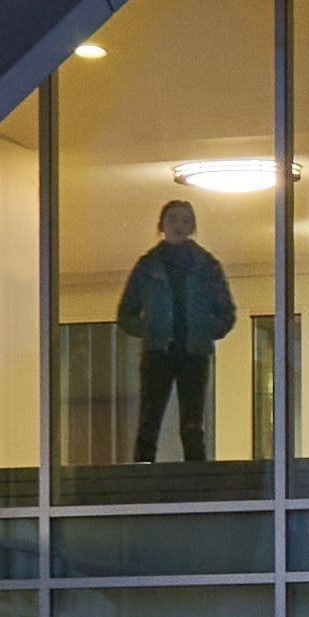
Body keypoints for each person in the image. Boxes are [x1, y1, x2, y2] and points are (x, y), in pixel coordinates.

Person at [117, 196, 238, 462]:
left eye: (185, 220)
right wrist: (151, 329)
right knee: (149, 418)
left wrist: (205, 330)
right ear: (161, 224)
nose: (179, 225)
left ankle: (196, 478)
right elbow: (125, 314)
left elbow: (227, 312)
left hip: (194, 351)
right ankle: (142, 475)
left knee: (193, 423)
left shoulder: (207, 266)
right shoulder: (147, 265)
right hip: (158, 350)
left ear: (192, 226)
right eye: (173, 219)